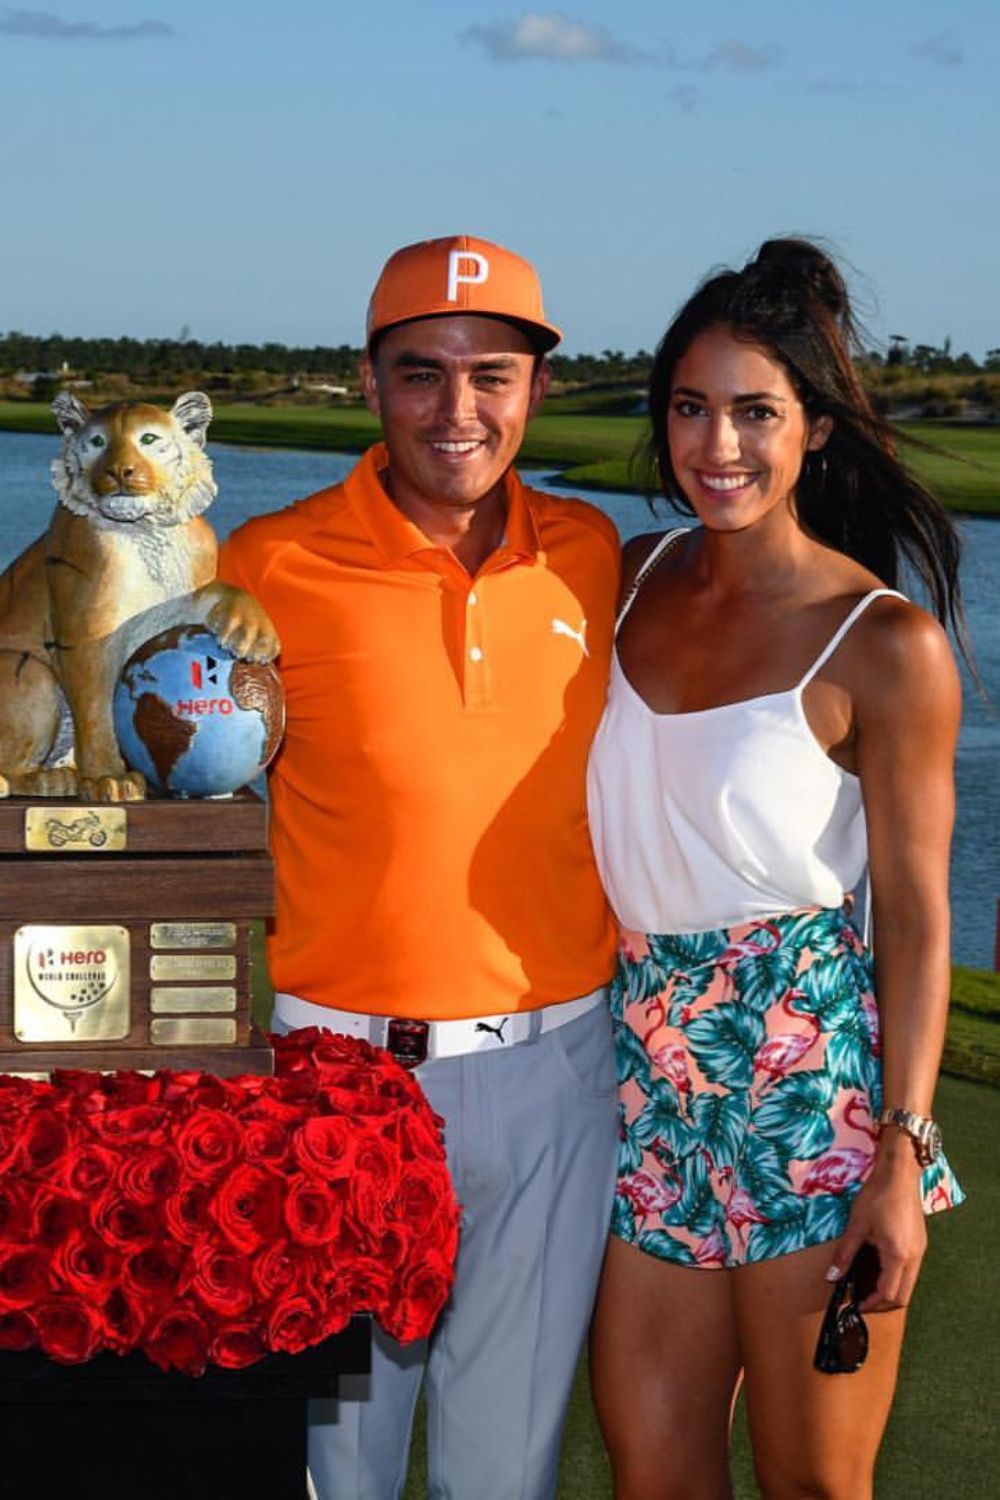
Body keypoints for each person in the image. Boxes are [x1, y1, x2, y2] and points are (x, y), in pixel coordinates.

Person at [218, 234, 620, 1499]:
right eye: (421, 374)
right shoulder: (262, 567)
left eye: (491, 374)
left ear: (538, 386)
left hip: (555, 1083)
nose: (459, 410)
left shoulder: (593, 557)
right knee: (336, 1473)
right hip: (330, 1090)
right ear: (370, 381)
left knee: (502, 1480)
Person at [586, 238, 966, 1499]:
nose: (718, 446)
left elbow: (914, 918)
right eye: (690, 409)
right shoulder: (624, 582)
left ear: (812, 428)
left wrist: (900, 1156)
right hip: (642, 1078)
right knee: (656, 1476)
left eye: (756, 411)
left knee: (813, 1486)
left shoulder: (884, 646)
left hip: (807, 1094)